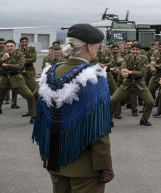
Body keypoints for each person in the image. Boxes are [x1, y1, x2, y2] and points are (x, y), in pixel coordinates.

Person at [31, 23, 113, 192]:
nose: (99, 49)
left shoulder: (49, 73)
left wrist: (45, 154)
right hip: (85, 168)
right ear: (89, 46)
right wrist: (105, 165)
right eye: (98, 45)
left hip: (54, 159)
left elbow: (42, 119)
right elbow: (99, 130)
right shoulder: (95, 77)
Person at [110, 44, 154, 126]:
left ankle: (144, 119)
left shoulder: (144, 59)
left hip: (139, 84)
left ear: (140, 51)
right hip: (127, 84)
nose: (135, 51)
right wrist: (123, 74)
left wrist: (130, 72)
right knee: (113, 100)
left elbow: (142, 73)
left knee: (150, 102)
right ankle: (109, 121)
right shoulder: (126, 58)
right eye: (133, 49)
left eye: (137, 50)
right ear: (130, 50)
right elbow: (123, 68)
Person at [0, 40, 36, 122]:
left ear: (15, 47)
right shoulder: (1, 55)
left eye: (11, 46)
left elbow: (20, 66)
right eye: (8, 46)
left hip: (16, 79)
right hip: (3, 79)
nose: (9, 48)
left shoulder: (19, 54)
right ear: (5, 47)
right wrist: (2, 59)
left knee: (29, 95)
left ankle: (33, 116)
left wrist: (7, 65)